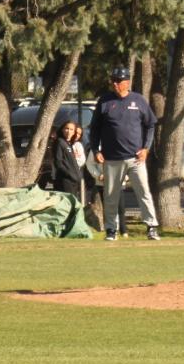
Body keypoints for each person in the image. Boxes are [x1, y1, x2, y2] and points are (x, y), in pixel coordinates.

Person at [88, 65, 160, 241]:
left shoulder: (139, 100)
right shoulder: (104, 101)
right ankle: (111, 230)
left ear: (127, 82)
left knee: (143, 192)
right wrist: (95, 149)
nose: (115, 83)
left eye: (119, 81)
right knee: (111, 196)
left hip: (135, 158)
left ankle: (151, 227)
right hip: (112, 158)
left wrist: (146, 148)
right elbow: (95, 128)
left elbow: (150, 124)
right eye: (113, 80)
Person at [50, 120, 89, 203]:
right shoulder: (60, 142)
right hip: (65, 181)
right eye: (66, 128)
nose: (69, 131)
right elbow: (59, 163)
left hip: (74, 182)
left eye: (71, 129)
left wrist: (77, 177)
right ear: (62, 129)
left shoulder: (69, 144)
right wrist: (71, 175)